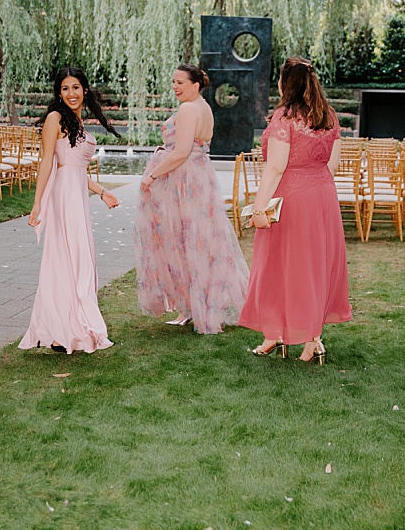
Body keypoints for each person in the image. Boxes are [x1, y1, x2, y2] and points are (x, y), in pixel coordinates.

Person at [239, 58, 351, 364]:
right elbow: (333, 164)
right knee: (313, 266)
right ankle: (308, 339)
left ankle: (280, 335)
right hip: (322, 196)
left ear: (284, 84)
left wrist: (259, 207)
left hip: (291, 198)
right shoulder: (328, 116)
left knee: (280, 265)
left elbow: (275, 167)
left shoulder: (285, 116)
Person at [135, 65, 246, 333]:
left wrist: (151, 175)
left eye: (180, 82)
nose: (174, 86)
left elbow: (181, 152)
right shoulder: (204, 107)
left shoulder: (188, 109)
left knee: (183, 242)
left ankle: (192, 308)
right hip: (200, 176)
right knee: (201, 242)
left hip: (183, 180)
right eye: (173, 81)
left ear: (195, 85)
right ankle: (196, 306)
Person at [18, 68, 121, 355]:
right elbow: (48, 163)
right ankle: (60, 331)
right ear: (58, 93)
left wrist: (102, 192)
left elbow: (75, 169)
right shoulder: (55, 118)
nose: (71, 93)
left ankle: (69, 328)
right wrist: (37, 203)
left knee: (77, 260)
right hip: (63, 198)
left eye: (76, 87)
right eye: (65, 89)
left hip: (77, 196)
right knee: (65, 260)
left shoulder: (77, 120)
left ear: (84, 90)